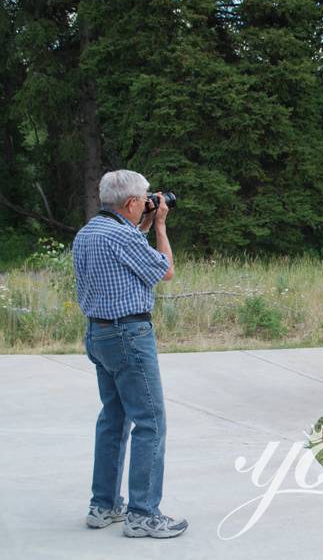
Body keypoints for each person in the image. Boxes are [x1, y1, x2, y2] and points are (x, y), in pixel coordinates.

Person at [72, 169, 187, 538]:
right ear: (131, 203)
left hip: (98, 333)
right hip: (129, 334)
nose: (150, 202)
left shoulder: (88, 232)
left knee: (113, 419)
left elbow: (123, 253)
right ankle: (143, 514)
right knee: (151, 422)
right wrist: (161, 228)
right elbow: (165, 271)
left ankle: (102, 505)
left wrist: (144, 223)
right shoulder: (124, 235)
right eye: (146, 198)